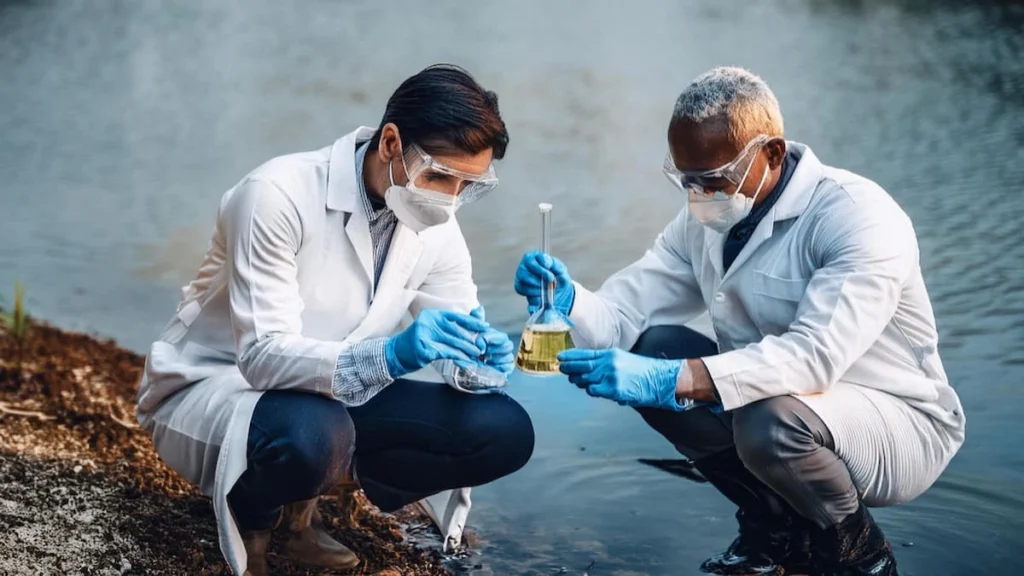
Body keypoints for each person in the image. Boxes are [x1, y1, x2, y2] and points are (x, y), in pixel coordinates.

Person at [514, 66, 964, 576]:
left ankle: (859, 555)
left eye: (712, 180)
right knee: (654, 346)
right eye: (685, 180)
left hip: (897, 421)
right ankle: (774, 527)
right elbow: (626, 315)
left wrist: (678, 380)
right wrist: (570, 299)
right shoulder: (707, 216)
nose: (697, 195)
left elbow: (815, 357)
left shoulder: (857, 217)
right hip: (781, 408)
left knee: (762, 418)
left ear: (770, 153)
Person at [135, 64, 535, 576]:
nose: (449, 200)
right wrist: (395, 354)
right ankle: (254, 516)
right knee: (315, 437)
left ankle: (303, 509)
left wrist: (479, 358)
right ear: (391, 142)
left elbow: (456, 332)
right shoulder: (276, 194)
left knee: (503, 429)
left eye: (467, 185)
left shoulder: (435, 223)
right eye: (438, 176)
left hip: (330, 402)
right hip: (218, 384)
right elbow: (260, 357)